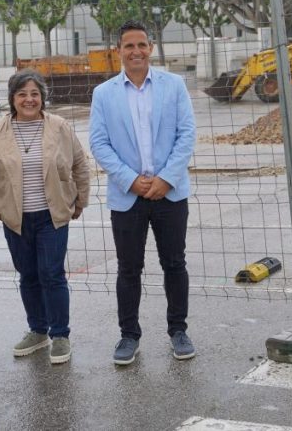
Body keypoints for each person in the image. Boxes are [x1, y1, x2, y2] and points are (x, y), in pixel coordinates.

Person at [89, 20, 197, 366]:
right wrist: (131, 180)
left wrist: (166, 178)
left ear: (150, 47)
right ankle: (128, 335)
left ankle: (178, 330)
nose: (136, 51)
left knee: (174, 263)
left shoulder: (174, 85)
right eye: (128, 46)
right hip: (128, 197)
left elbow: (186, 135)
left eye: (141, 45)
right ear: (118, 50)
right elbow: (99, 144)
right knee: (128, 268)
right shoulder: (104, 94)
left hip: (170, 193)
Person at [0, 70, 90, 365]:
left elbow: (80, 163)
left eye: (34, 94)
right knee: (28, 275)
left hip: (52, 215)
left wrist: (80, 200)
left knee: (52, 274)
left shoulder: (59, 127)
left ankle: (60, 335)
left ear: (42, 97)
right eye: (22, 94)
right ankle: (37, 330)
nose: (29, 99)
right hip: (16, 218)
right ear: (12, 98)